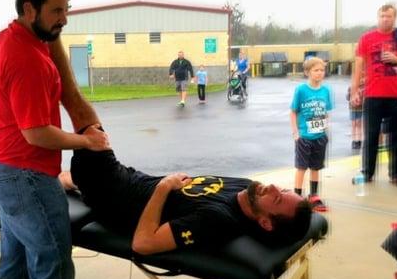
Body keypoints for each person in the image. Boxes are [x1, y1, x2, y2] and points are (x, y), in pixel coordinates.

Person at [0, 0, 110, 279]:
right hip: (26, 176)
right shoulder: (26, 59)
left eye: (66, 10)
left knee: (14, 263)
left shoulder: (2, 41)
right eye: (56, 11)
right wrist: (87, 143)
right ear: (29, 9)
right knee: (51, 263)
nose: (64, 20)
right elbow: (36, 133)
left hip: (0, 169)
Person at [61, 135, 312, 255]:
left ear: (266, 222)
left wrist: (163, 188)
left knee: (87, 124)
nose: (274, 188)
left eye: (277, 198)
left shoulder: (219, 221)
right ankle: (63, 183)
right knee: (68, 177)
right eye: (284, 189)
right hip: (132, 178)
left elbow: (143, 244)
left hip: (115, 201)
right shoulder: (247, 186)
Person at [350, 4, 397, 187]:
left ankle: (396, 174)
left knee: (395, 136)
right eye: (382, 16)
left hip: (396, 93)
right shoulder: (366, 38)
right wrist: (355, 90)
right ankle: (367, 172)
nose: (385, 19)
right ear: (377, 17)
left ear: (394, 18)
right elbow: (358, 65)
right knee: (371, 135)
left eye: (389, 16)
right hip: (373, 95)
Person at [290, 57, 333, 212]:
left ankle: (313, 195)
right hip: (304, 136)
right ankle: (297, 197)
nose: (319, 73)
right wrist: (296, 133)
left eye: (322, 70)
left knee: (316, 167)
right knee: (301, 167)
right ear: (308, 72)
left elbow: (326, 111)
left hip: (320, 136)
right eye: (316, 70)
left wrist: (326, 130)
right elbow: (293, 111)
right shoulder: (301, 90)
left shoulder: (326, 90)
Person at [346, 78, 364, 150]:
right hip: (353, 108)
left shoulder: (364, 88)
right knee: (353, 124)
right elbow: (347, 98)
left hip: (361, 108)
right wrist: (350, 93)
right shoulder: (351, 87)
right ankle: (354, 140)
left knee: (359, 124)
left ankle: (359, 140)